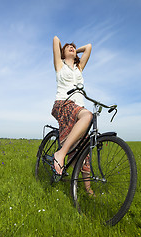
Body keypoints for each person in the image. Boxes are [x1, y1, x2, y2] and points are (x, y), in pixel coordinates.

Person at [51, 36, 93, 194]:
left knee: (83, 146)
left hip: (77, 108)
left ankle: (88, 190)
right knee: (88, 116)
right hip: (63, 104)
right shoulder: (59, 65)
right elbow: (56, 39)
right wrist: (63, 50)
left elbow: (88, 46)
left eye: (73, 47)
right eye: (68, 47)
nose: (71, 47)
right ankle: (60, 153)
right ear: (62, 53)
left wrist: (76, 52)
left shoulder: (79, 68)